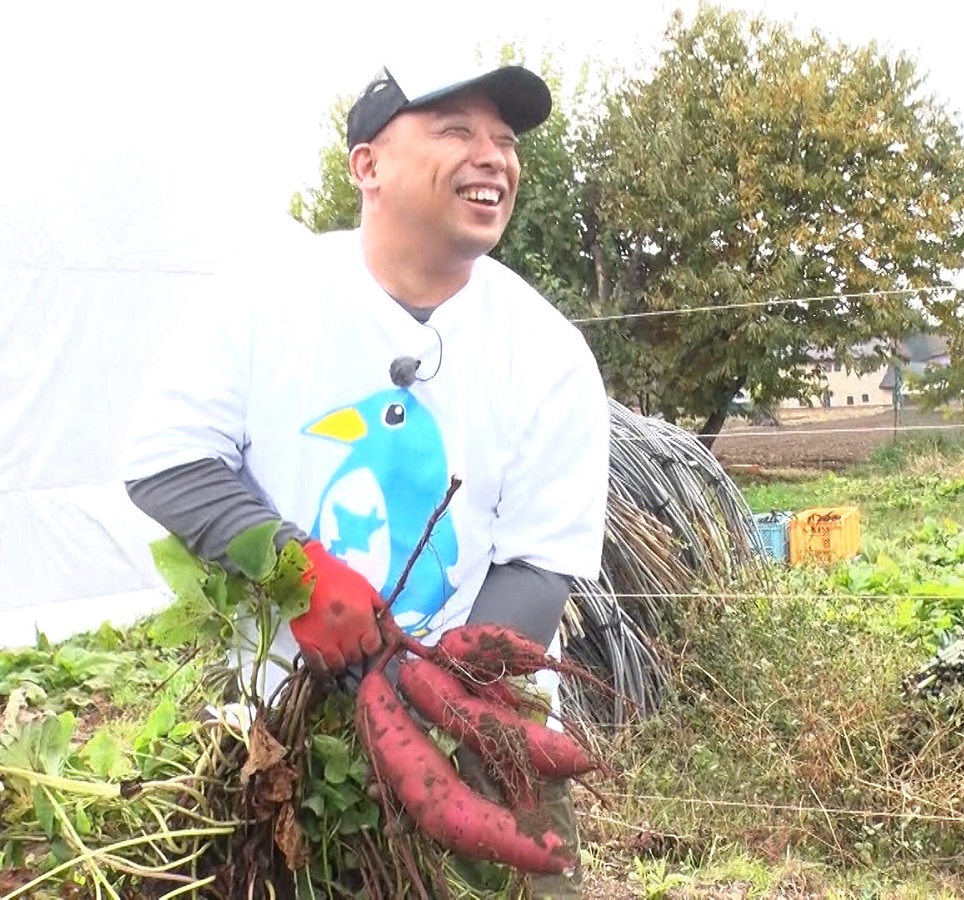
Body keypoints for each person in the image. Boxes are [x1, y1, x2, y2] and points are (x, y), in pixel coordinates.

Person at [120, 59, 610, 897]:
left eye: (504, 139)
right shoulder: (262, 301)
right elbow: (167, 458)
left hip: (485, 745)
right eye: (456, 131)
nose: (492, 156)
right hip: (278, 734)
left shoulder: (547, 350)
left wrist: (431, 693)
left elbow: (541, 560)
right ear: (367, 164)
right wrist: (302, 574)